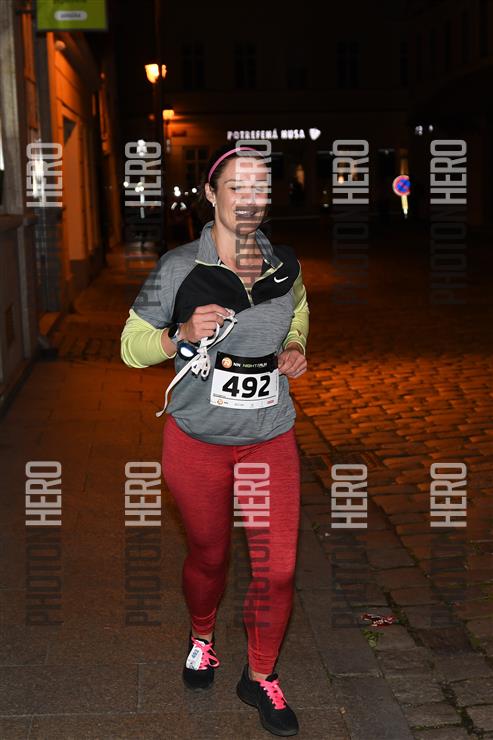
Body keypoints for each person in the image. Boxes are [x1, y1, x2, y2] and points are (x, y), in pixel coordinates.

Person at [121, 143, 309, 737]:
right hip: (197, 440)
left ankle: (260, 674)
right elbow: (130, 347)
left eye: (260, 188)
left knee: (277, 570)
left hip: (269, 437)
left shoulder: (284, 264)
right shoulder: (178, 267)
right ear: (211, 194)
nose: (250, 199)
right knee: (209, 555)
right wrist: (177, 334)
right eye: (237, 187)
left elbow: (299, 310)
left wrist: (295, 345)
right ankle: (202, 636)